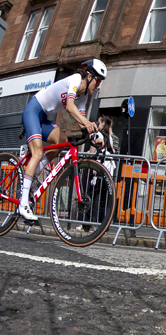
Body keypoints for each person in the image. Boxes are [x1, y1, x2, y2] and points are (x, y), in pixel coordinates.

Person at [18, 59, 105, 221]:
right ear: (89, 77)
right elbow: (70, 107)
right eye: (98, 80)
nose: (98, 86)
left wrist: (95, 135)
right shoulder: (75, 80)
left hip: (43, 118)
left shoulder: (83, 97)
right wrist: (87, 123)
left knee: (62, 141)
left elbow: (81, 121)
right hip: (33, 111)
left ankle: (36, 169)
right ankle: (23, 204)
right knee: (37, 153)